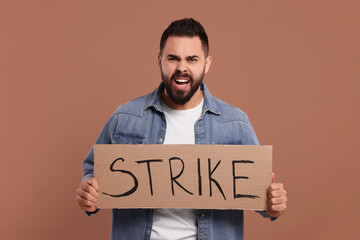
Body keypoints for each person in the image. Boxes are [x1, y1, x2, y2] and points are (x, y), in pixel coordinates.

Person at [76, 18, 287, 240]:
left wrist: (273, 204)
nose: (181, 68)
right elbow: (93, 171)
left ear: (206, 63)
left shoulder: (235, 124)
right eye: (173, 58)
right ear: (160, 60)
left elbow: (260, 193)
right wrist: (88, 196)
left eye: (192, 59)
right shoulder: (126, 118)